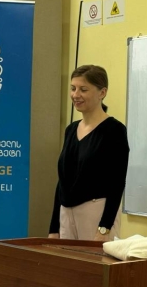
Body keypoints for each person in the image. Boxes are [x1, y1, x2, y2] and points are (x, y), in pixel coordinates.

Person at [49, 65, 129, 242]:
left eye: (83, 90)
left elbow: (117, 183)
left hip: (96, 213)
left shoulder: (114, 130)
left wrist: (104, 228)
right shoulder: (71, 130)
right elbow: (62, 181)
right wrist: (54, 228)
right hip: (66, 213)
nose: (76, 95)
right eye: (73, 88)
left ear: (102, 93)